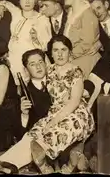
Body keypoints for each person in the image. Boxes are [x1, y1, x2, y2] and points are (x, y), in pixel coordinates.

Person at [0, 49, 53, 174]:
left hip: (55, 131)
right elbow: (20, 131)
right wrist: (24, 115)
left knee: (32, 143)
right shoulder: (24, 92)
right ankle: (4, 166)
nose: (38, 66)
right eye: (32, 64)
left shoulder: (57, 82)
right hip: (38, 136)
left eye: (41, 62)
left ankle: (1, 165)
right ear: (26, 70)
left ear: (46, 64)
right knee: (30, 140)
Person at [28, 35, 95, 174]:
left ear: (70, 52)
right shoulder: (50, 70)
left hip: (76, 113)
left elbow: (74, 103)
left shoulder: (75, 71)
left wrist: (53, 122)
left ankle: (45, 161)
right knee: (35, 132)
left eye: (63, 50)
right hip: (55, 112)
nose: (59, 54)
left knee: (58, 130)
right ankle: (46, 164)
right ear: (51, 53)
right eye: (56, 50)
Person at [0, 0, 52, 84]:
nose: (27, 2)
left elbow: (47, 45)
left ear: (36, 1)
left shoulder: (42, 19)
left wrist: (36, 38)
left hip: (31, 61)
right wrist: (1, 7)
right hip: (14, 59)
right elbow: (4, 2)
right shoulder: (16, 13)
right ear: (19, 1)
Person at [62, 0, 102, 77]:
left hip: (86, 60)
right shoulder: (71, 13)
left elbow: (86, 43)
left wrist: (70, 55)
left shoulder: (87, 13)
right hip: (74, 58)